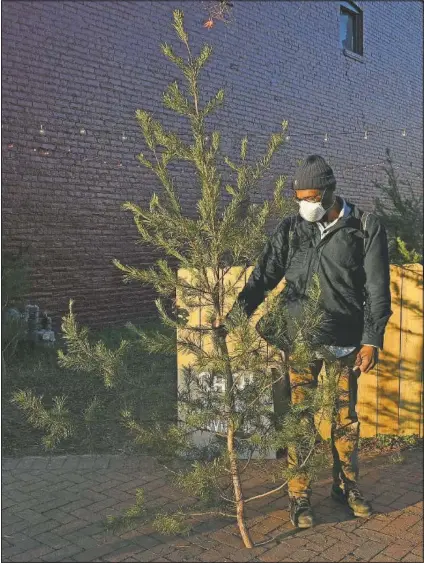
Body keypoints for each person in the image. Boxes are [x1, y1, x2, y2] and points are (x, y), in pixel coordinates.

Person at [228, 155, 392, 528]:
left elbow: (377, 290)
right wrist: (236, 316)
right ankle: (299, 496)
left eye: (312, 197)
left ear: (331, 192)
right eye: (299, 198)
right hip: (299, 343)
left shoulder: (364, 228)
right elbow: (264, 276)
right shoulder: (292, 229)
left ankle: (346, 487)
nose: (306, 205)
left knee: (344, 420)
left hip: (343, 343)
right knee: (300, 421)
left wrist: (372, 341)